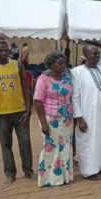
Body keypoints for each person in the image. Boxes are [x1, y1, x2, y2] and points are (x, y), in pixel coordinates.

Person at [71, 45, 101, 180]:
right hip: (88, 114)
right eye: (94, 54)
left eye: (98, 54)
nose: (97, 56)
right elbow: (75, 97)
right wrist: (79, 118)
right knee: (88, 140)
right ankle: (89, 170)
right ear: (86, 56)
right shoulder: (77, 72)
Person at [0, 39, 34, 184]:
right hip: (1, 113)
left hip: (20, 111)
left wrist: (29, 109)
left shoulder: (16, 64)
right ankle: (10, 173)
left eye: (6, 50)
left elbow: (26, 88)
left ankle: (28, 170)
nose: (4, 53)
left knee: (25, 141)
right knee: (5, 144)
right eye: (0, 50)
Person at [34, 51, 73, 187]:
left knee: (65, 147)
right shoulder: (43, 79)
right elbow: (38, 101)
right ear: (51, 64)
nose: (63, 66)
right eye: (59, 63)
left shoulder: (67, 77)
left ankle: (64, 177)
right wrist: (44, 123)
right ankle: (49, 179)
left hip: (67, 119)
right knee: (51, 147)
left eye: (64, 63)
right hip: (51, 119)